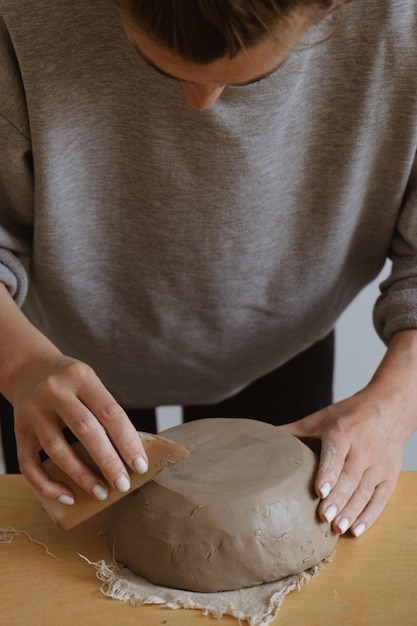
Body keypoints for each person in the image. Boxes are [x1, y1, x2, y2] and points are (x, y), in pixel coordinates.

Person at [0, 0, 417, 539]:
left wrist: (400, 399)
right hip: (49, 355)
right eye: (157, 66)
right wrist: (19, 366)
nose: (200, 101)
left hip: (284, 339)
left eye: (254, 76)